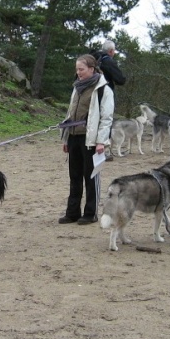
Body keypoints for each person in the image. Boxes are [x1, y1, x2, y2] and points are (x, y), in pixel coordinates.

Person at [58, 54, 114, 225]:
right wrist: (66, 139)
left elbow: (106, 118)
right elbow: (71, 113)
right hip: (74, 136)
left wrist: (101, 142)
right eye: (77, 69)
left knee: (91, 177)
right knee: (74, 176)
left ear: (91, 69)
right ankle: (72, 212)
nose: (78, 72)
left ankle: (90, 213)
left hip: (91, 140)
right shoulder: (77, 87)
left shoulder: (104, 89)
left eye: (81, 69)